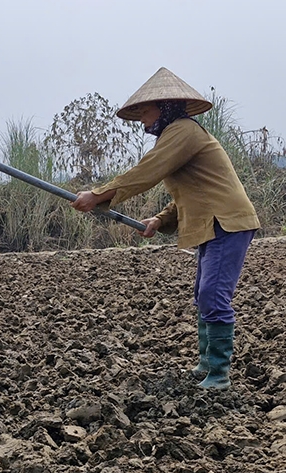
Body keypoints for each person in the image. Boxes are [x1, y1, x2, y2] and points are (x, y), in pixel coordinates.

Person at [71, 67, 260, 391]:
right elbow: (191, 192)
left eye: (146, 111)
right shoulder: (178, 135)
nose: (143, 120)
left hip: (226, 222)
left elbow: (148, 170)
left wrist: (99, 194)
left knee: (212, 295)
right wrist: (159, 220)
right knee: (205, 296)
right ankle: (206, 364)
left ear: (165, 107)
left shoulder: (183, 131)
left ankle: (219, 374)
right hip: (212, 223)